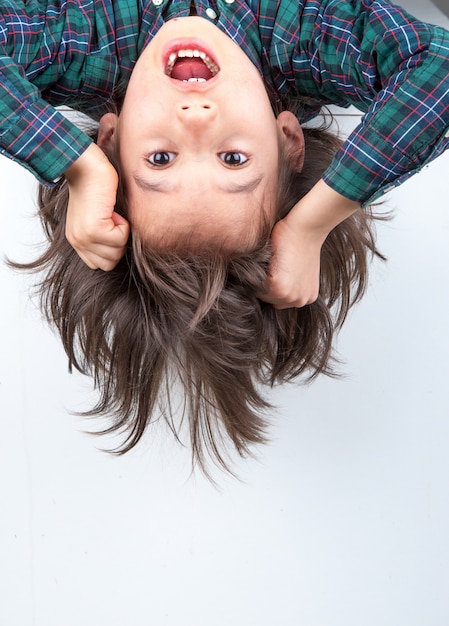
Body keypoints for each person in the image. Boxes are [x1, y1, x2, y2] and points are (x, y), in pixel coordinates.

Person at [2, 0, 449, 472]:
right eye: (233, 159)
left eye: (160, 160)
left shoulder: (82, 43)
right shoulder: (305, 41)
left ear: (110, 140)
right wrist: (311, 224)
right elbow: (438, 68)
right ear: (288, 140)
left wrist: (77, 166)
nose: (195, 118)